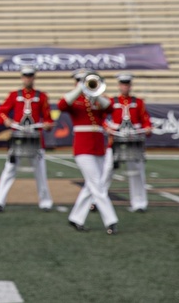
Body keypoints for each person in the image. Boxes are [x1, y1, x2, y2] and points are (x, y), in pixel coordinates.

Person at [59, 72, 118, 234]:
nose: (84, 84)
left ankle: (76, 218)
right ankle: (110, 221)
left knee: (91, 185)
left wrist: (96, 94)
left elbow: (111, 108)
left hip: (98, 146)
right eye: (80, 81)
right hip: (83, 147)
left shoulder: (98, 98)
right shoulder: (74, 99)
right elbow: (61, 105)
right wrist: (80, 89)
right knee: (97, 185)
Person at [0, 66, 54, 212]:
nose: (28, 79)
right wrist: (6, 120)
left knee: (40, 171)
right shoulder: (14, 95)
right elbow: (1, 112)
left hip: (35, 139)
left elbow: (48, 119)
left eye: (30, 76)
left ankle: (45, 202)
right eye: (25, 76)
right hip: (18, 138)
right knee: (10, 169)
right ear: (22, 78)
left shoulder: (42, 96)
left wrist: (47, 125)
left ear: (34, 78)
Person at [103, 73, 152, 212]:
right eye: (123, 84)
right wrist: (107, 129)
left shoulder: (139, 102)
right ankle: (97, 199)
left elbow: (145, 119)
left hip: (133, 142)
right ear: (119, 86)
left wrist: (147, 127)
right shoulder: (112, 101)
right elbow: (103, 119)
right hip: (115, 142)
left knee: (136, 172)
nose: (125, 87)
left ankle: (139, 203)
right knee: (107, 171)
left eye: (127, 84)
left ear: (130, 86)